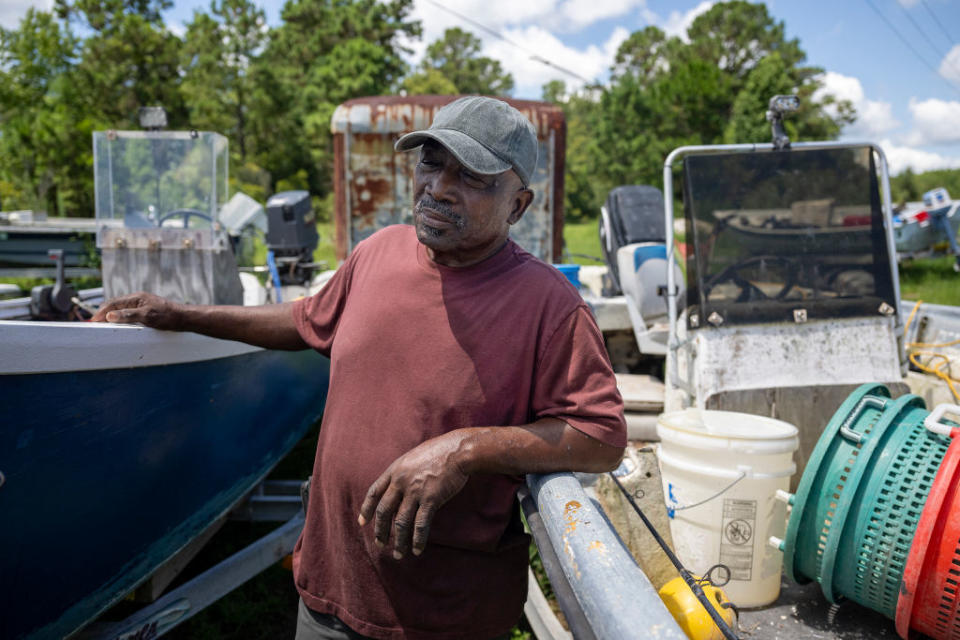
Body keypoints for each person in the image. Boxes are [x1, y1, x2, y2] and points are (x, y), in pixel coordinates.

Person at [92, 96, 626, 640]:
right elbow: (305, 319)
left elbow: (599, 437)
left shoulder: (549, 305)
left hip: (445, 616)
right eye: (431, 163)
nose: (439, 187)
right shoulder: (378, 252)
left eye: (472, 177)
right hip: (328, 591)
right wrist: (181, 314)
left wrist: (465, 449)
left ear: (518, 206)